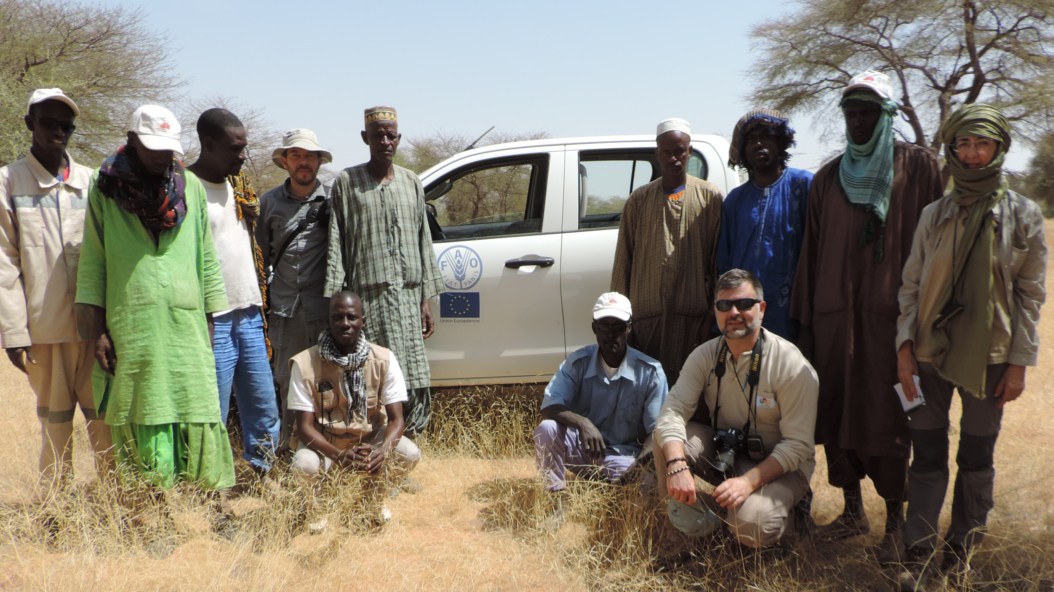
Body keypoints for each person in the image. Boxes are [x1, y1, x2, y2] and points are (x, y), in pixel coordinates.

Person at [789, 70, 944, 563]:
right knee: (837, 414)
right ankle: (852, 511)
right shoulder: (827, 178)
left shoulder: (919, 168)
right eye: (850, 112)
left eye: (867, 112)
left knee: (893, 418)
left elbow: (940, 244)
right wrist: (808, 326)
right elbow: (812, 253)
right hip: (835, 323)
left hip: (892, 328)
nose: (857, 121)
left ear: (887, 115)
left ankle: (894, 527)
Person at [895, 105, 1046, 588]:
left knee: (977, 459)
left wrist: (1019, 364)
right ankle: (917, 556)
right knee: (928, 456)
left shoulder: (1022, 214)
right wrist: (903, 348)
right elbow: (911, 287)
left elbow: (1030, 295)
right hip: (929, 355)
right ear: (952, 149)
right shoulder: (934, 214)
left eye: (982, 144)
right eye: (963, 144)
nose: (972, 154)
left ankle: (960, 553)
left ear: (999, 148)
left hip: (992, 358)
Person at [75, 105, 235, 490]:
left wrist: (211, 322)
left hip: (187, 324)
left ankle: (208, 506)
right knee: (144, 407)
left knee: (196, 406)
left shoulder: (190, 187)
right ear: (132, 141)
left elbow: (207, 258)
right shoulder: (105, 187)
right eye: (153, 149)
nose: (163, 157)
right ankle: (153, 511)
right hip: (133, 322)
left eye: (169, 150)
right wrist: (97, 331)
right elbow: (94, 259)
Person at [654, 269, 818, 548]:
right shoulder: (704, 355)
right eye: (724, 305)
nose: (734, 312)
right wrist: (677, 465)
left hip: (782, 466)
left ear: (762, 309)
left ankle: (783, 519)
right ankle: (682, 525)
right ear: (715, 311)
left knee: (754, 526)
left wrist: (748, 482)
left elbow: (797, 446)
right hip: (729, 454)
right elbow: (672, 412)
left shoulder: (791, 364)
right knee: (667, 442)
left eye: (744, 304)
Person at [0, 88, 112, 487]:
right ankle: (55, 510)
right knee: (56, 423)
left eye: (66, 125)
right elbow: (4, 263)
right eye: (48, 122)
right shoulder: (9, 181)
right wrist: (14, 333)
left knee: (105, 421)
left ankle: (117, 503)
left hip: (94, 328)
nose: (58, 131)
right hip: (45, 332)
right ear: (30, 123)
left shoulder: (92, 181)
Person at [324, 106, 444, 442]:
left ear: (399, 138)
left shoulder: (411, 182)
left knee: (412, 377)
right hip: (368, 303)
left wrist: (424, 299)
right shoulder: (347, 182)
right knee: (372, 375)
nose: (385, 141)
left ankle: (408, 450)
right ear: (366, 138)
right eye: (378, 135)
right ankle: (372, 449)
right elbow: (338, 242)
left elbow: (423, 241)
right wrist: (340, 305)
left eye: (391, 135)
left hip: (407, 301)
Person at [187, 108, 280, 483]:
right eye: (234, 148)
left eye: (245, 147)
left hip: (250, 313)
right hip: (214, 318)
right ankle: (212, 486)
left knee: (263, 407)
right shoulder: (186, 189)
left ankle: (262, 476)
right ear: (208, 144)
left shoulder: (239, 187)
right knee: (214, 411)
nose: (243, 155)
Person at [288, 291, 422, 523]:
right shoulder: (304, 364)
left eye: (351, 317)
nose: (345, 324)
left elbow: (396, 420)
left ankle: (371, 500)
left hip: (368, 441)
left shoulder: (383, 359)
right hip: (326, 444)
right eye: (337, 318)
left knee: (410, 454)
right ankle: (318, 507)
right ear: (328, 322)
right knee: (304, 465)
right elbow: (304, 428)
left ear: (363, 321)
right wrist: (339, 456)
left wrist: (383, 451)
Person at [533, 292, 668, 523]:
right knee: (546, 430)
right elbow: (549, 406)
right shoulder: (577, 362)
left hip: (625, 459)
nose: (611, 333)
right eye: (605, 326)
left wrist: (635, 473)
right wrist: (583, 423)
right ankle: (558, 501)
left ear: (630, 328)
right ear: (594, 328)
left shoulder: (651, 372)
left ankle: (615, 493)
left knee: (645, 490)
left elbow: (656, 434)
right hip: (583, 452)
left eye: (619, 326)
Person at [611, 118, 724, 386]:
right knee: (647, 393)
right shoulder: (638, 200)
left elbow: (718, 264)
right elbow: (622, 264)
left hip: (694, 323)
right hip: (647, 323)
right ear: (657, 153)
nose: (674, 158)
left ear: (690, 152)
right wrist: (622, 322)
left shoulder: (710, 198)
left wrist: (711, 318)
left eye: (680, 151)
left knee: (694, 393)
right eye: (667, 152)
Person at [257, 128, 333, 446]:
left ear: (318, 162)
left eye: (310, 156)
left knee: (326, 382)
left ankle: (329, 450)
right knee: (287, 382)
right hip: (284, 312)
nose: (304, 162)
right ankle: (290, 451)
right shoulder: (268, 203)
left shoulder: (333, 200)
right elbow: (260, 258)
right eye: (296, 156)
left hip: (324, 310)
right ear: (285, 161)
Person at [718, 109, 812, 341]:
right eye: (750, 140)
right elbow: (724, 262)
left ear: (780, 142)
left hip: (795, 315)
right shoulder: (735, 201)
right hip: (744, 314)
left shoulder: (805, 186)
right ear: (742, 151)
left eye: (766, 136)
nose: (758, 144)